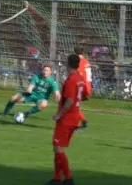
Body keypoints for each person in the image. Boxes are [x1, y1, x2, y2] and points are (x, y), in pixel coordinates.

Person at [47, 54, 88, 185]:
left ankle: (68, 178)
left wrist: (59, 114)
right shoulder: (80, 79)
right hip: (74, 118)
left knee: (58, 147)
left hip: (67, 118)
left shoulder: (71, 80)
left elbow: (70, 100)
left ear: (68, 64)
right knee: (57, 147)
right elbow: (85, 95)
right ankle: (57, 178)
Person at [74, 46, 92, 131]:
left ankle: (82, 122)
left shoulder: (79, 62)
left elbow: (79, 76)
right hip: (87, 86)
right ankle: (79, 124)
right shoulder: (86, 61)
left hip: (82, 87)